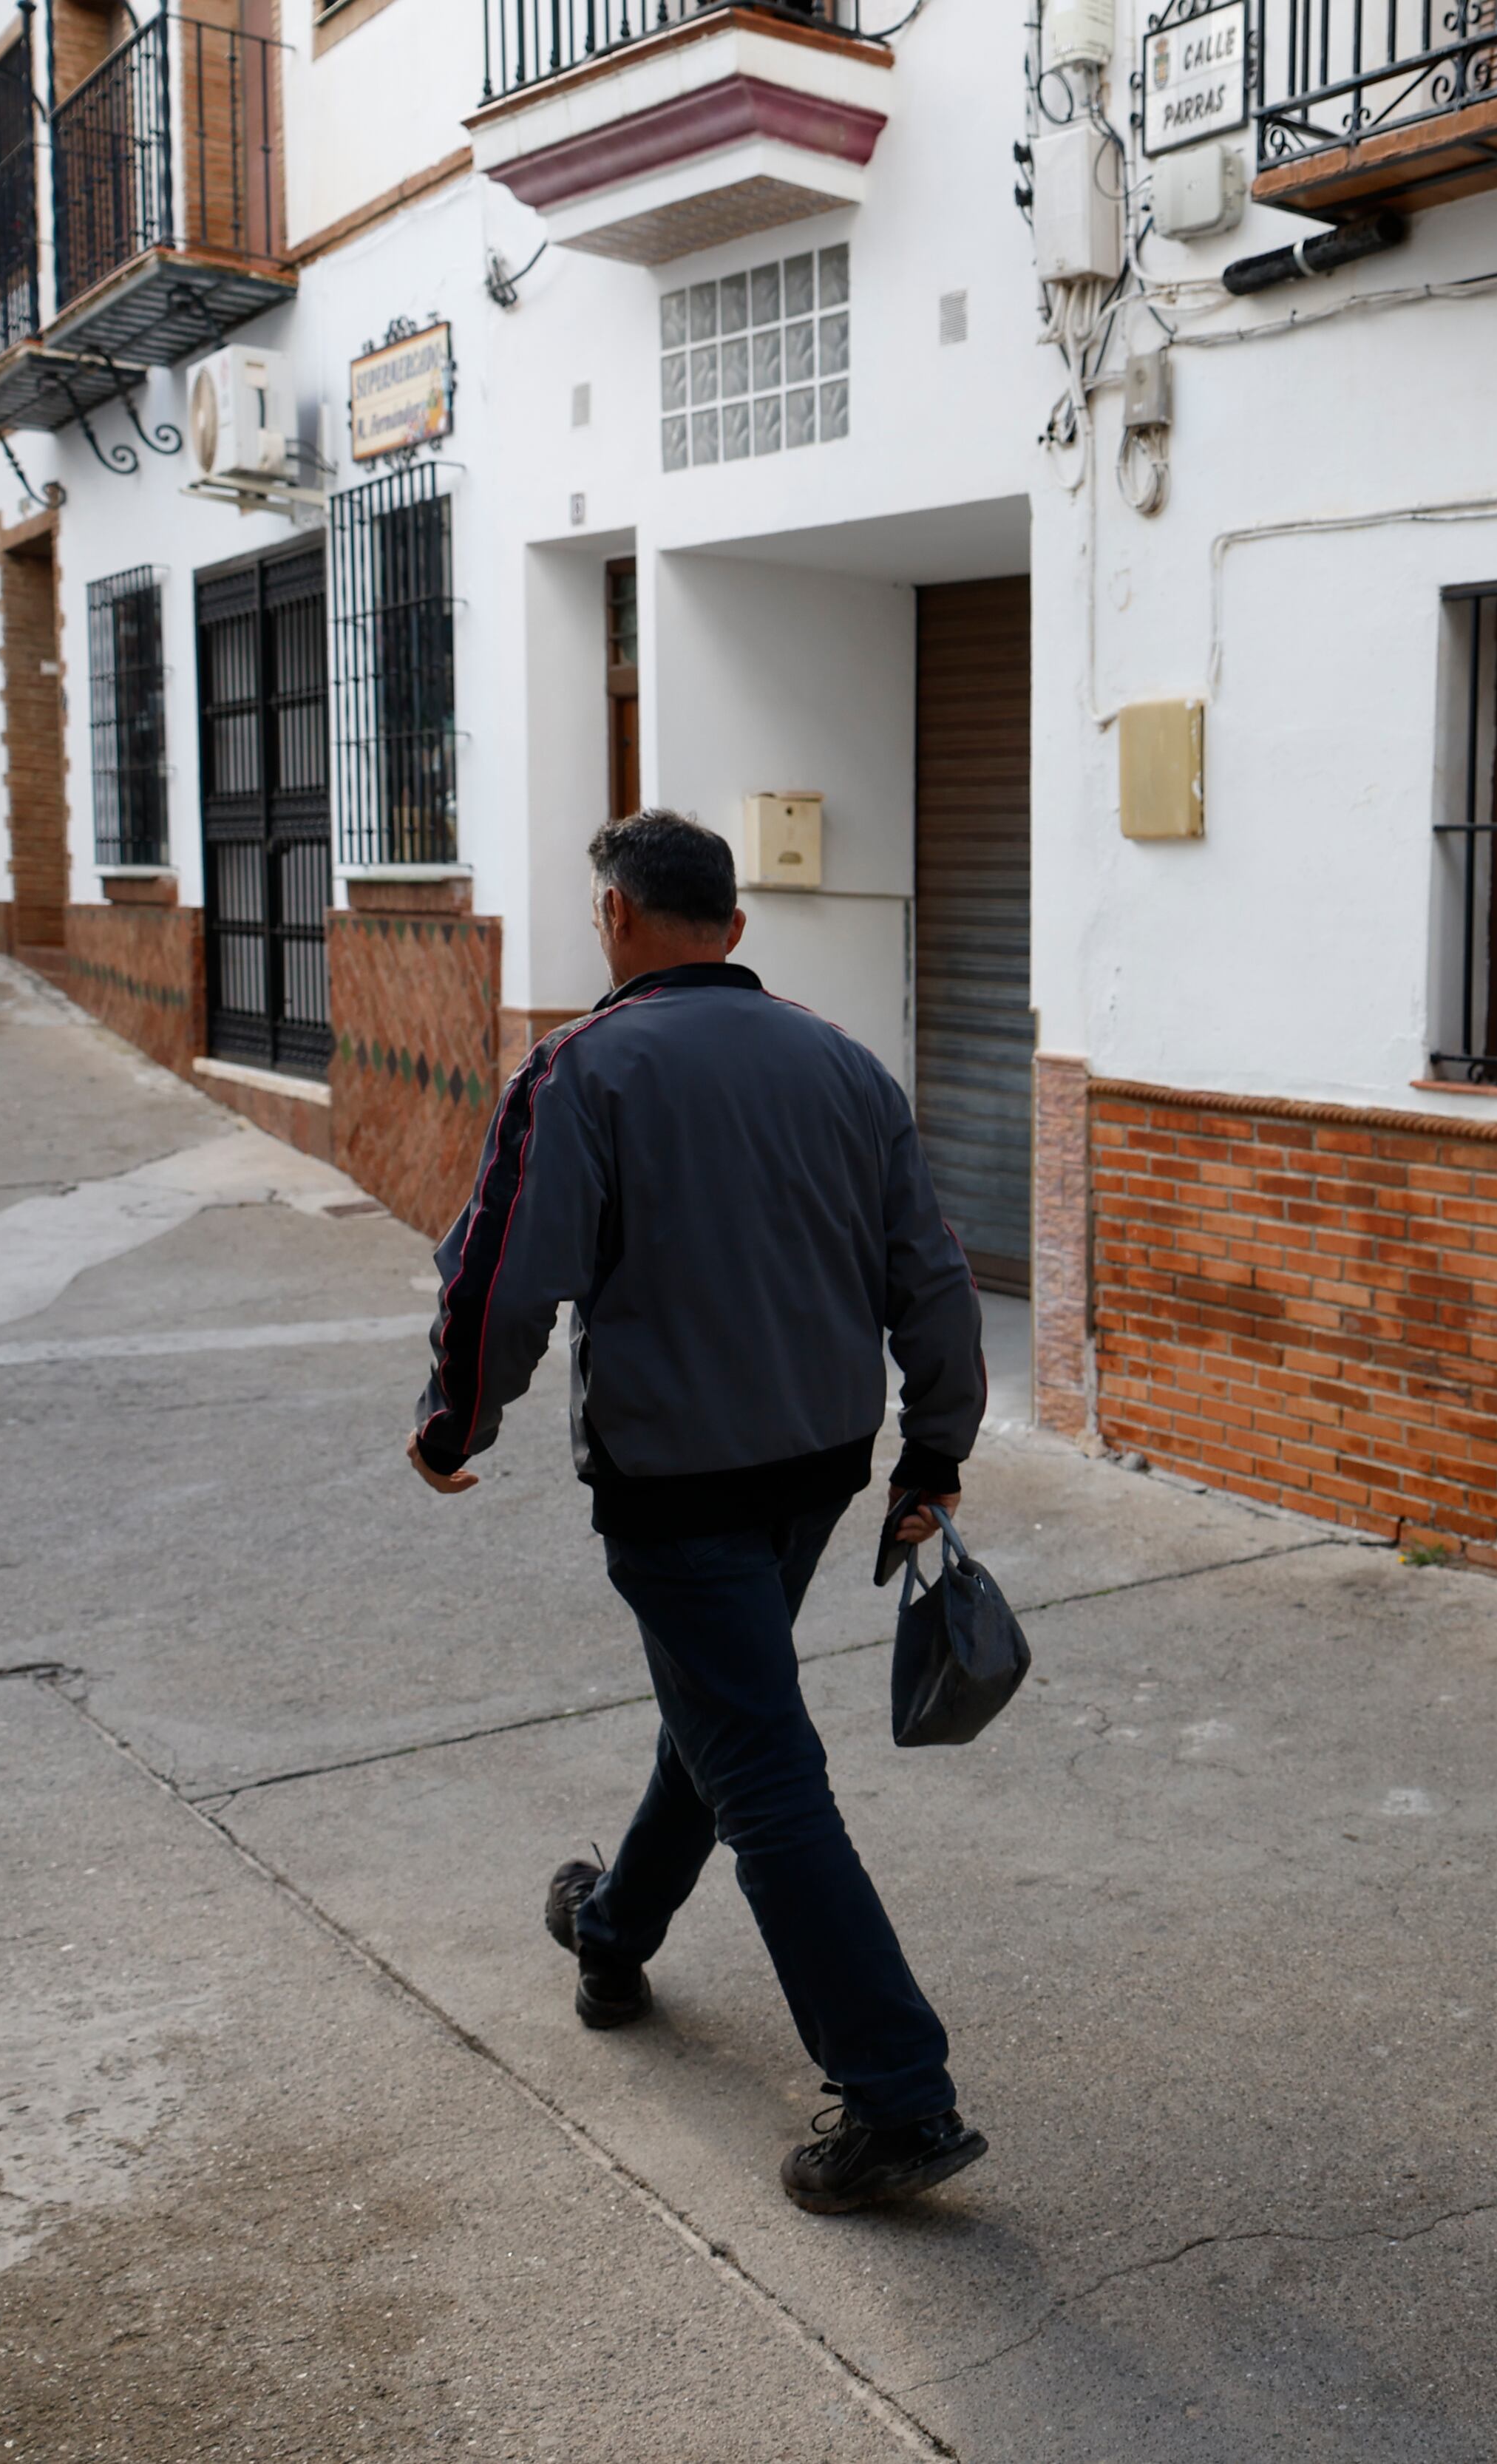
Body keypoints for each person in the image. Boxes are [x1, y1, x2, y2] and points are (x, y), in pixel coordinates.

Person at [404, 809, 989, 2215]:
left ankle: (900, 2098)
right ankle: (613, 1930)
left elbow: (503, 1284)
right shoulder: (845, 1063)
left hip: (678, 1488)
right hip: (817, 1468)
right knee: (725, 1715)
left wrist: (451, 1425)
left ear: (614, 918)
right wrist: (934, 1455)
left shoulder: (580, 1069)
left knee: (764, 1766)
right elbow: (939, 1280)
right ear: (732, 927)